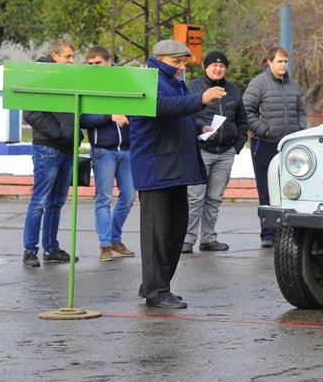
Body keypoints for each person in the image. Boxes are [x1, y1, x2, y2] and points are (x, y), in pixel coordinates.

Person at [130, 39, 227, 309]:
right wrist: (200, 99)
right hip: (155, 168)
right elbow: (161, 108)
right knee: (157, 234)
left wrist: (198, 129)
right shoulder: (146, 79)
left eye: (184, 62)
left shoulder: (173, 81)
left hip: (173, 167)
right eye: (177, 62)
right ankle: (156, 292)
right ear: (160, 59)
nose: (182, 67)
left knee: (174, 231)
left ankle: (154, 285)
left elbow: (177, 115)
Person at [22, 39, 81, 267]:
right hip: (47, 148)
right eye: (68, 57)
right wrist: (60, 133)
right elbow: (31, 114)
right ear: (54, 56)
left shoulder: (66, 77)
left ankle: (51, 248)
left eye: (73, 57)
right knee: (40, 201)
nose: (72, 61)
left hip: (66, 149)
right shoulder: (41, 76)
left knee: (56, 203)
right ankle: (30, 250)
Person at [183, 50, 249, 254]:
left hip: (225, 153)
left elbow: (242, 120)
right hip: (200, 151)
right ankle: (186, 240)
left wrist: (236, 146)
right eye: (214, 65)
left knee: (214, 198)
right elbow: (186, 117)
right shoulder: (192, 88)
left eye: (222, 66)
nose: (218, 69)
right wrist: (201, 130)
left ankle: (209, 238)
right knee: (194, 198)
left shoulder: (234, 90)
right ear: (206, 67)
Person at [243, 46, 307, 248]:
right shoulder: (258, 84)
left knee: (291, 189)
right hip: (266, 144)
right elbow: (245, 111)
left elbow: (301, 111)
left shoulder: (292, 85)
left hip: (289, 147)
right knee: (267, 190)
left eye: (286, 61)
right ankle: (268, 234)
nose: (283, 65)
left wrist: (300, 130)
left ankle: (289, 233)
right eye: (279, 61)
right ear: (269, 62)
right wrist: (264, 130)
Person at [80, 45, 137, 262]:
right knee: (103, 198)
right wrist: (108, 116)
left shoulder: (124, 80)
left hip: (128, 150)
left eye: (98, 63)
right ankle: (104, 244)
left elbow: (138, 108)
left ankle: (114, 238)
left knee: (129, 196)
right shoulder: (87, 85)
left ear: (109, 61)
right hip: (103, 151)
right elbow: (83, 119)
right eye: (90, 64)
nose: (94, 67)